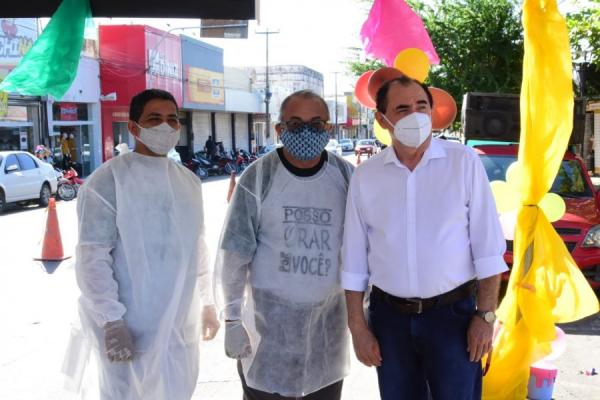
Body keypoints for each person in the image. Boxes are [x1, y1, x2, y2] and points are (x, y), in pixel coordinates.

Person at [342, 76, 508, 400]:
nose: (414, 115)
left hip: (454, 319)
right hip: (389, 320)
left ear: (432, 111)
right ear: (382, 119)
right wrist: (358, 328)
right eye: (402, 108)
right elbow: (353, 262)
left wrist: (485, 317)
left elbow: (488, 251)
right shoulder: (366, 176)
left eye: (421, 106)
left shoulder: (464, 163)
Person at [65, 89, 220, 400]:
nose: (165, 127)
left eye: (172, 120)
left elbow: (196, 248)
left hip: (180, 324)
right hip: (131, 327)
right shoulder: (107, 182)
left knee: (178, 391)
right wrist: (111, 320)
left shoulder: (188, 181)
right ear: (134, 127)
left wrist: (206, 302)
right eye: (154, 118)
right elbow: (93, 258)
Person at [215, 90, 354, 399]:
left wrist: (364, 312)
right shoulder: (259, 176)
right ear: (279, 130)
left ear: (328, 129)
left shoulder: (345, 177)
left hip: (327, 329)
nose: (306, 131)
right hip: (268, 333)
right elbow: (235, 254)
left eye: (316, 123)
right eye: (295, 123)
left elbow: (364, 250)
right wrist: (232, 317)